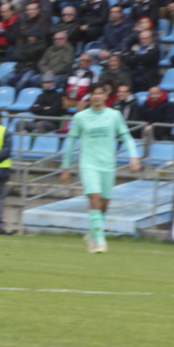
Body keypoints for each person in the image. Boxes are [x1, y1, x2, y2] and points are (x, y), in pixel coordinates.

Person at [61, 83, 141, 253]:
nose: (97, 97)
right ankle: (100, 242)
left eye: (100, 93)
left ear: (106, 96)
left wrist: (134, 156)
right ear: (90, 97)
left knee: (104, 204)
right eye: (94, 94)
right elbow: (70, 142)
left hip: (107, 165)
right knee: (95, 199)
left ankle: (92, 233)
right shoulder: (81, 117)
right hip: (88, 164)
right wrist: (65, 167)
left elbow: (126, 136)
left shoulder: (114, 115)